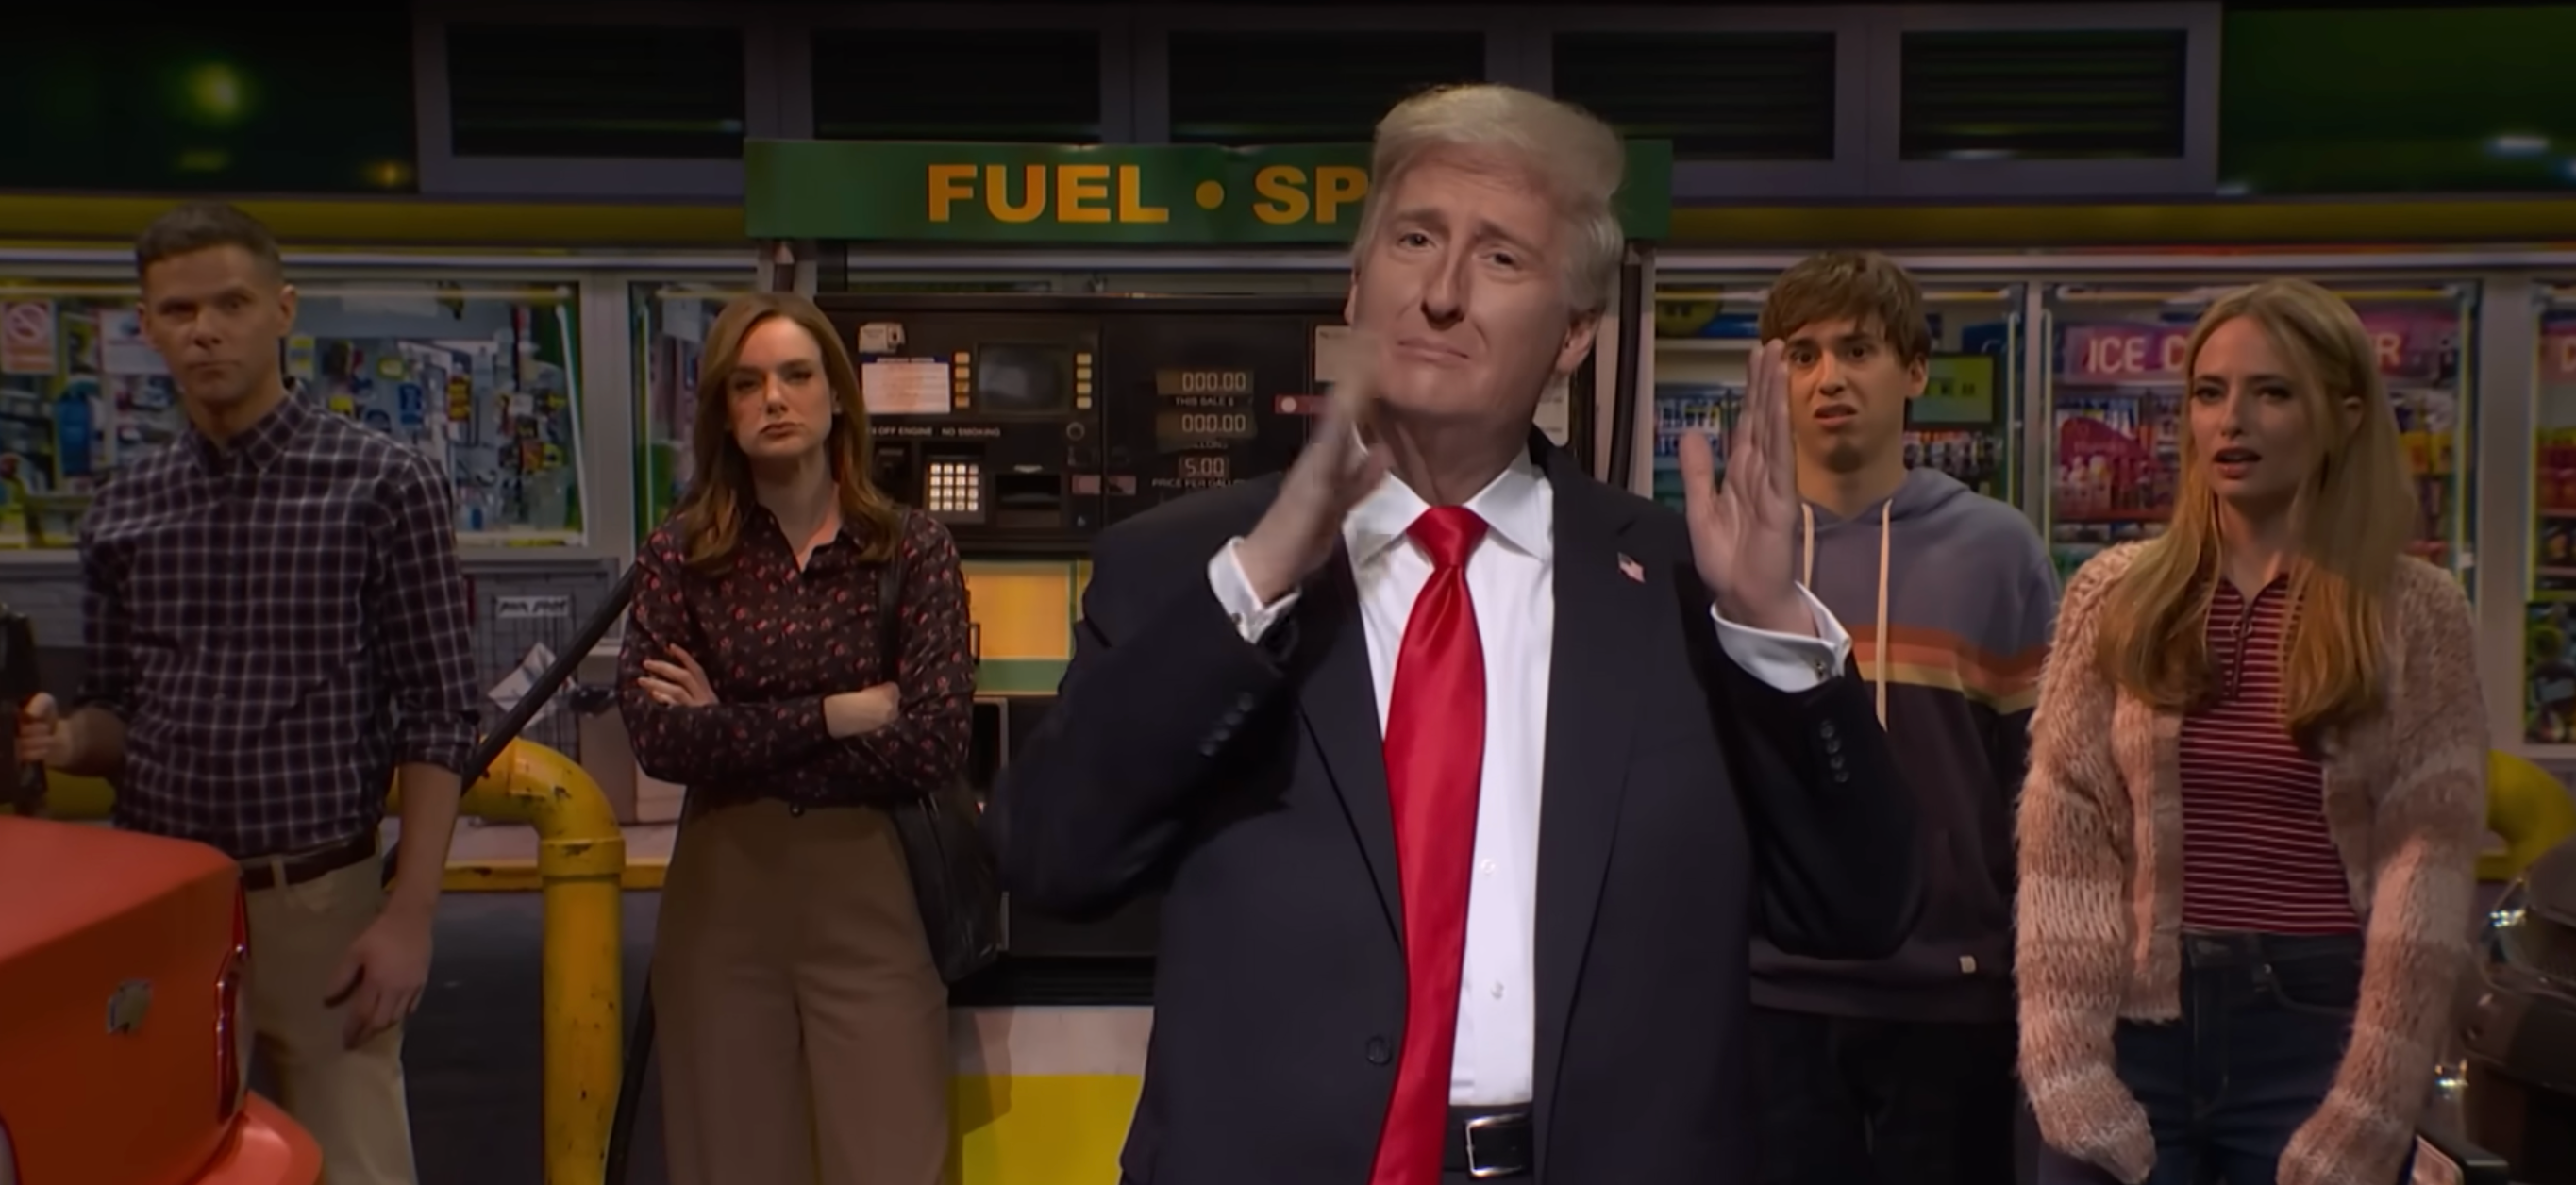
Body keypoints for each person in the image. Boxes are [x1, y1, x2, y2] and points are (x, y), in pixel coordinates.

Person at [988, 83, 1923, 1185]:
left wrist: (1771, 630)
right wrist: (1259, 578)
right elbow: (1050, 858)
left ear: (1575, 335)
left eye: (1500, 258)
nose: (1440, 294)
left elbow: (1860, 908)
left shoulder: (1682, 587)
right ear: (1356, 285)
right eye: (1415, 240)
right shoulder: (1189, 569)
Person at [11, 200, 477, 1185]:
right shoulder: (125, 507)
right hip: (164, 901)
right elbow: (117, 712)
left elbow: (440, 712)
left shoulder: (382, 484)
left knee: (355, 1164)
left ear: (283, 310)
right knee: (164, 1161)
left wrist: (410, 914)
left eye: (230, 303)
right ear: (148, 327)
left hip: (319, 896)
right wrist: (69, 738)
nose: (206, 330)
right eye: (179, 311)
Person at [2016, 278, 2486, 1185]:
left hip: (2319, 1036)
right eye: (2209, 392)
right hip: (2138, 1033)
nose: (2232, 421)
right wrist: (2066, 1063)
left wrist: (2375, 1101)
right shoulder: (2115, 596)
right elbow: (2065, 829)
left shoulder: (2415, 611)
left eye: (2272, 393)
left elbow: (2427, 860)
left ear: (2344, 415)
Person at [616, 291, 974, 1185]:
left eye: (796, 375)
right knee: (732, 1161)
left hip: (874, 892)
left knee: (892, 1161)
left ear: (837, 397)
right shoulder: (680, 556)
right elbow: (660, 739)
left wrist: (730, 723)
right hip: (722, 903)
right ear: (723, 412)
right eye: (747, 383)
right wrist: (836, 713)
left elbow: (934, 741)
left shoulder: (912, 550)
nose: (773, 398)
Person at [1747, 251, 2058, 1184]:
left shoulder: (1996, 551)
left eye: (1858, 350)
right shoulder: (1727, 554)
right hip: (1771, 994)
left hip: (1952, 996)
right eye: (1803, 355)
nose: (1829, 378)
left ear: (1915, 370)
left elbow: (2043, 787)